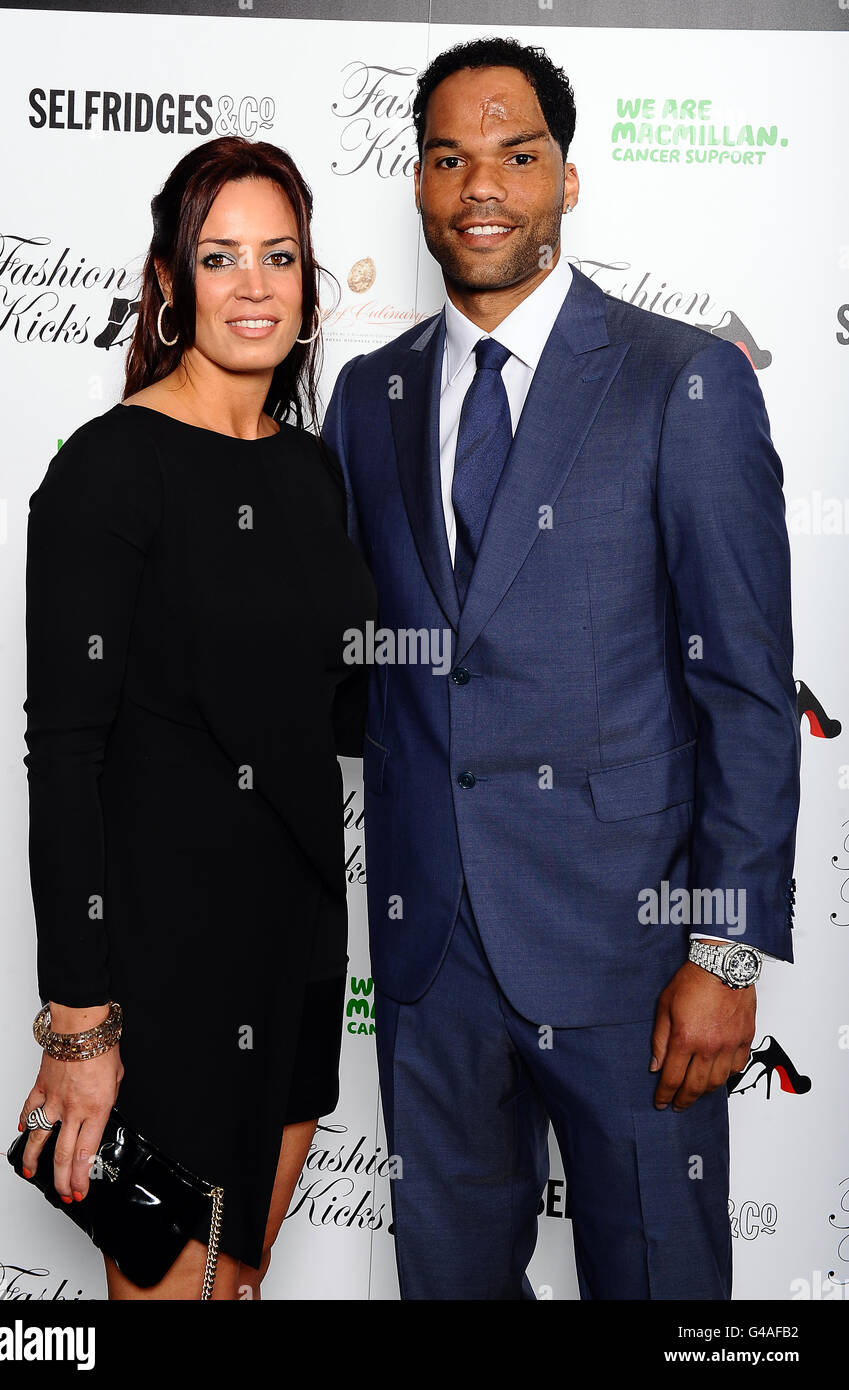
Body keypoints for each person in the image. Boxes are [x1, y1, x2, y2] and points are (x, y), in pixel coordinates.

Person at [322, 36, 800, 1300]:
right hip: (429, 961)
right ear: (418, 184)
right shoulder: (364, 398)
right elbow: (359, 664)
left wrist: (725, 954)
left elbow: (747, 692)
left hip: (630, 961)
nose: (481, 185)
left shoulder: (679, 381)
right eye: (448, 158)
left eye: (515, 154)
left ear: (565, 180)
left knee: (657, 1287)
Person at [18, 136, 376, 1301]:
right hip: (161, 976)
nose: (257, 283)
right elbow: (64, 754)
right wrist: (80, 1022)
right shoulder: (107, 471)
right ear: (170, 283)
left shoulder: (315, 475)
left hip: (293, 951)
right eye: (221, 257)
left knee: (235, 1292)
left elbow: (337, 708)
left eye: (280, 255)